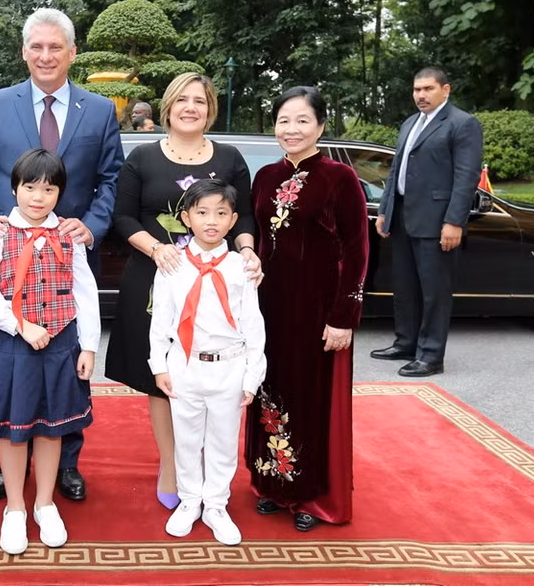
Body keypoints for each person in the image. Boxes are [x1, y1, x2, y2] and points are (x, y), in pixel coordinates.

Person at [0, 7, 123, 503]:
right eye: (37, 46)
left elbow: (111, 178)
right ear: (24, 52)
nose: (46, 55)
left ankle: (64, 464)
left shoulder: (98, 110)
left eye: (56, 47)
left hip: (68, 254)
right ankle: (12, 456)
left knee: (66, 362)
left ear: (72, 53)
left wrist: (92, 227)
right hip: (11, 256)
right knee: (16, 364)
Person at [105, 72, 259, 510]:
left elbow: (244, 217)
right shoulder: (143, 158)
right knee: (165, 378)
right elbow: (123, 218)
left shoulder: (229, 158)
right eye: (182, 100)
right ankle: (170, 465)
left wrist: (247, 252)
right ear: (169, 106)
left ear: (210, 109)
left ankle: (208, 467)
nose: (190, 107)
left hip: (215, 284)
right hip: (156, 278)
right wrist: (157, 250)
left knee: (212, 376)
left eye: (200, 101)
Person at [244, 85, 368, 532]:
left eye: (301, 120)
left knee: (312, 399)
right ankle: (271, 485)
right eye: (283, 120)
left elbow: (357, 252)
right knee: (268, 388)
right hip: (270, 309)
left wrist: (343, 316)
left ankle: (310, 496)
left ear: (320, 125)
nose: (291, 129)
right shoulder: (265, 177)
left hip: (319, 312)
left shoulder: (340, 178)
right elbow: (256, 241)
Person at [0, 148, 98, 555]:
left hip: (61, 345)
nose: (38, 197)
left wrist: (89, 345)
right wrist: (21, 325)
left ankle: (44, 503)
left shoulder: (69, 236)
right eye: (29, 187)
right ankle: (16, 509)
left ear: (59, 193)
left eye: (48, 189)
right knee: (13, 427)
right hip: (12, 346)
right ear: (14, 188)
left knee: (52, 426)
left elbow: (85, 292)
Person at [148, 178, 266, 545]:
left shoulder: (240, 267)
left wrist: (252, 376)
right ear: (186, 218)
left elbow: (253, 324)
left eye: (221, 213)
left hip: (229, 367)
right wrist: (159, 366)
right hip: (186, 365)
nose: (211, 221)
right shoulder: (172, 265)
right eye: (202, 213)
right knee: (185, 439)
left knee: (222, 439)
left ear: (233, 221)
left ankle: (216, 503)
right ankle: (189, 500)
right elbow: (161, 320)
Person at [371, 67, 483, 377]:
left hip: (437, 222)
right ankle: (406, 343)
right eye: (417, 89)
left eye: (428, 89)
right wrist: (385, 210)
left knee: (435, 291)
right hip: (404, 216)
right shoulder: (410, 123)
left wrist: (454, 222)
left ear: (445, 90)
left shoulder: (462, 124)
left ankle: (431, 355)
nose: (421, 95)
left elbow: (466, 178)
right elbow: (396, 173)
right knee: (405, 286)